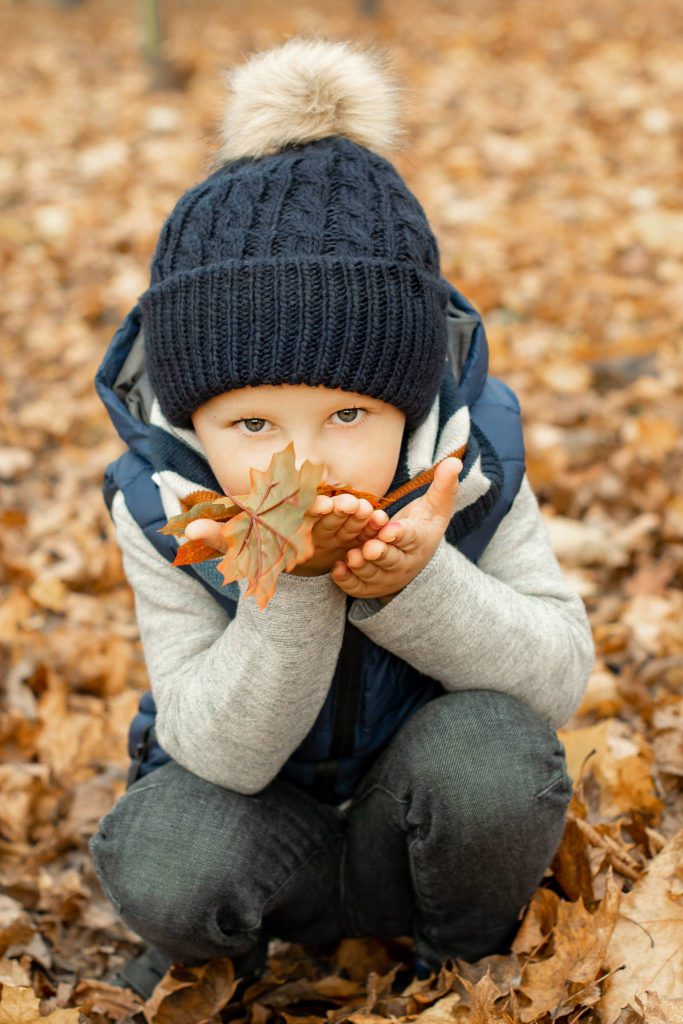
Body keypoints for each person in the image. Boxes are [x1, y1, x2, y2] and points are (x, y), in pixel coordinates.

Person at [89, 36, 594, 1003]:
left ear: (407, 402)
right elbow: (212, 746)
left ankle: (462, 964)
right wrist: (297, 585)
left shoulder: (470, 467)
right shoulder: (162, 504)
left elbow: (556, 677)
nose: (300, 459)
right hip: (262, 829)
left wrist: (422, 583)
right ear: (191, 416)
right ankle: (216, 971)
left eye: (348, 415)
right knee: (161, 848)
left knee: (500, 753)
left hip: (418, 822)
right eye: (249, 422)